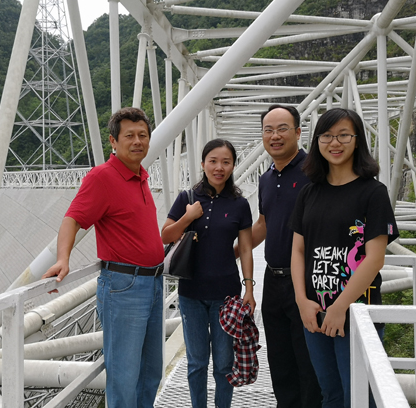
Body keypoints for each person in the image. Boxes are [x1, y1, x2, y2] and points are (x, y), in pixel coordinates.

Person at [42, 107, 165, 408]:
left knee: (150, 371)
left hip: (153, 283)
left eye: (143, 135)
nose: (137, 141)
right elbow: (72, 219)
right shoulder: (102, 177)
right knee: (124, 375)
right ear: (113, 141)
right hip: (124, 286)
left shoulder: (141, 176)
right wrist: (63, 258)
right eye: (129, 136)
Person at [290, 108, 399, 408]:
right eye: (326, 136)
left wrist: (341, 308)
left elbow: (375, 258)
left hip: (358, 313)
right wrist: (301, 301)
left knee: (359, 397)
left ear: (357, 140)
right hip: (314, 312)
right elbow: (298, 250)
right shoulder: (309, 193)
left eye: (343, 135)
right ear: (317, 141)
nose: (334, 143)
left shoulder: (373, 193)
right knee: (331, 395)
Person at [235, 104, 321, 408]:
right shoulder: (267, 178)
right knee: (280, 360)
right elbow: (263, 224)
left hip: (307, 280)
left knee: (308, 362)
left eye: (282, 129)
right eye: (268, 130)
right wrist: (230, 254)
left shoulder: (316, 172)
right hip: (273, 280)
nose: (275, 136)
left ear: (298, 132)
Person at [161, 138, 255, 408]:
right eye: (213, 161)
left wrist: (249, 288)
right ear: (202, 164)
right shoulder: (187, 198)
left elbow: (245, 249)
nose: (219, 167)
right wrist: (188, 217)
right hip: (191, 294)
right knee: (197, 363)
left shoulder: (239, 204)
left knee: (224, 364)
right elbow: (165, 236)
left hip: (227, 296)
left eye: (226, 162)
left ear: (233, 165)